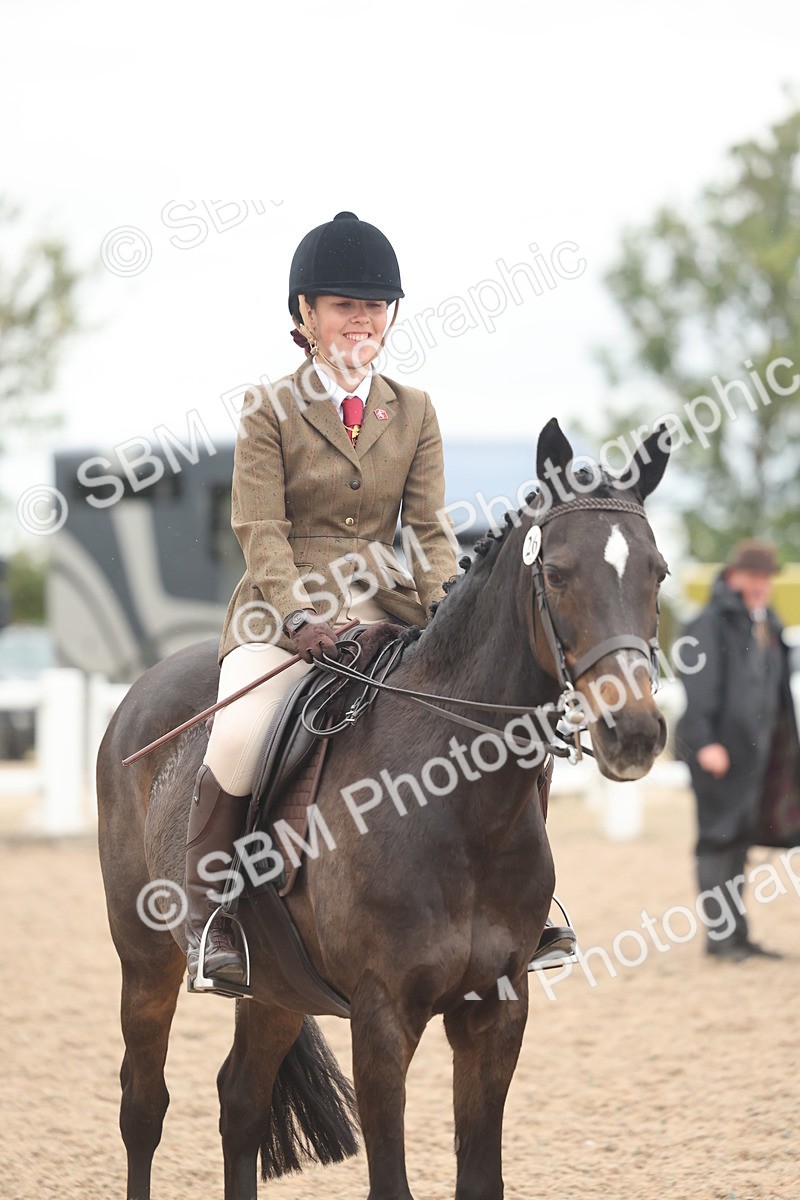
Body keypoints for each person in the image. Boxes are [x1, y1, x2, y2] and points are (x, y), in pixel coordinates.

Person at [184, 211, 576, 993]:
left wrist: (446, 619)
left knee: (503, 716)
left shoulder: (415, 408)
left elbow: (429, 530)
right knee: (239, 733)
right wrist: (298, 617)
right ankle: (209, 917)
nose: (360, 319)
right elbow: (258, 527)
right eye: (342, 305)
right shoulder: (269, 408)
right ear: (305, 315)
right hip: (283, 612)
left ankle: (527, 905)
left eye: (373, 306)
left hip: (390, 608)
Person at [676, 539, 800, 961]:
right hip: (718, 754)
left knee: (741, 842)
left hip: (756, 757)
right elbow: (697, 692)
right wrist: (706, 742)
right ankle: (721, 939)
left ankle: (739, 936)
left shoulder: (766, 622)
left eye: (767, 577)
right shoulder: (707, 624)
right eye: (754, 576)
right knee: (718, 842)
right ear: (734, 576)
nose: (761, 584)